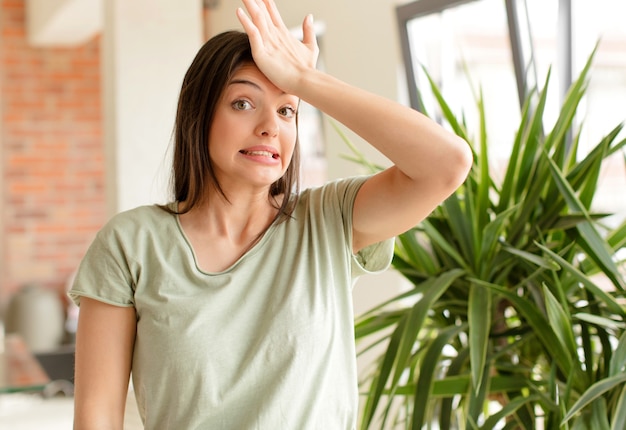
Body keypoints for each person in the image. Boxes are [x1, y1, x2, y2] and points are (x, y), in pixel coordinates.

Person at [69, 0, 473, 428]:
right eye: (243, 103)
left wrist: (306, 80)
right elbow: (96, 417)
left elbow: (446, 164)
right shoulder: (131, 244)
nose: (270, 126)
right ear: (199, 114)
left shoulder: (328, 220)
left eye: (287, 110)